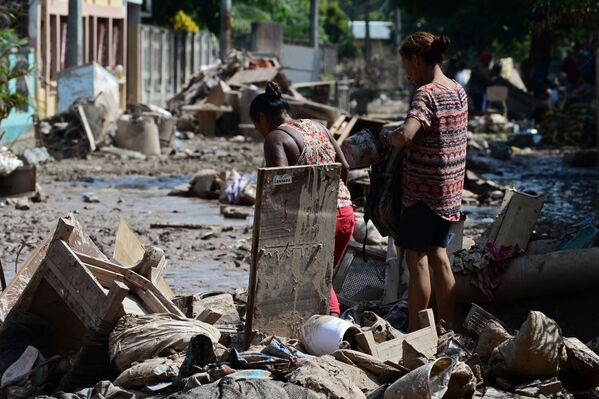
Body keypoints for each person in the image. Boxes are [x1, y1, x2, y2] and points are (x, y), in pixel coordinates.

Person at [383, 32, 468, 332]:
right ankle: (447, 328)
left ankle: (417, 333)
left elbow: (407, 134)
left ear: (417, 60)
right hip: (449, 192)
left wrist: (389, 136)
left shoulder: (426, 93)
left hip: (423, 193)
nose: (408, 75)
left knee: (415, 257)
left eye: (407, 67)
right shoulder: (457, 89)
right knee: (439, 255)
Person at [249, 81, 355, 317]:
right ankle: (315, 324)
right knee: (319, 276)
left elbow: (280, 186)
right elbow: (344, 167)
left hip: (317, 220)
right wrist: (338, 199)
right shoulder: (317, 126)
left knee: (317, 279)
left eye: (256, 125)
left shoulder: (275, 139)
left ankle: (333, 329)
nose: (259, 131)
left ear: (261, 118)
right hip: (345, 214)